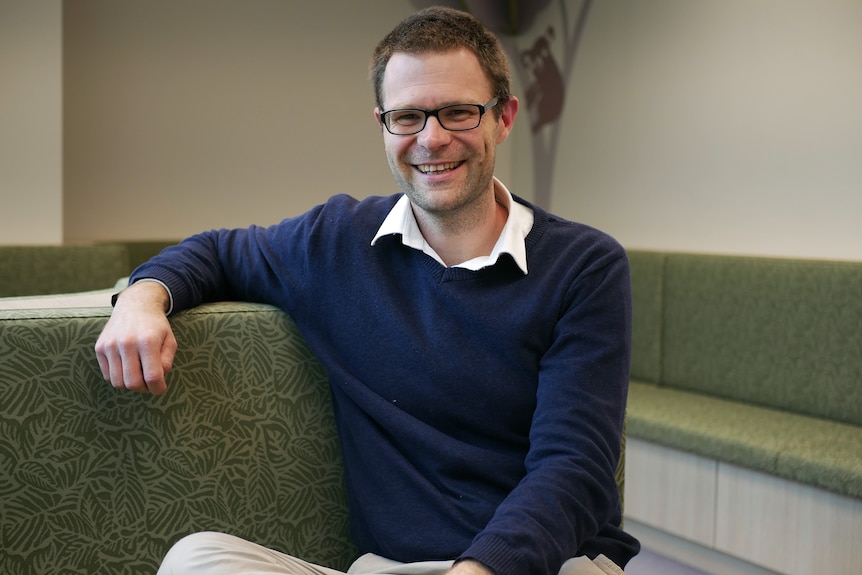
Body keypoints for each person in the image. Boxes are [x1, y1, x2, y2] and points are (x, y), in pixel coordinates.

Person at [95, 6, 639, 575]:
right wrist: (143, 297)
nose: (432, 139)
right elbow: (214, 252)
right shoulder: (337, 241)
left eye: (458, 112)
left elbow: (574, 466)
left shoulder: (585, 265)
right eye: (407, 117)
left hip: (552, 563)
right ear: (383, 125)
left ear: (503, 118)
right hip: (394, 567)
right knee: (195, 559)